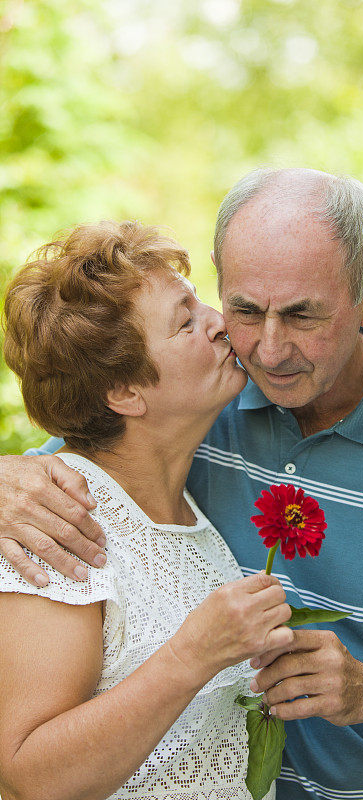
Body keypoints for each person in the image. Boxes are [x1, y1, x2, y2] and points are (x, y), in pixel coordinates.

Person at [1, 168, 363, 800]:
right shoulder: (199, 403)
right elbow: (88, 435)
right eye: (245, 310)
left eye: (304, 315)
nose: (269, 350)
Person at [0, 220, 294, 800]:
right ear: (125, 393)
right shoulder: (61, 521)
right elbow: (28, 775)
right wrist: (193, 655)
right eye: (185, 321)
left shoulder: (188, 516)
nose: (219, 322)